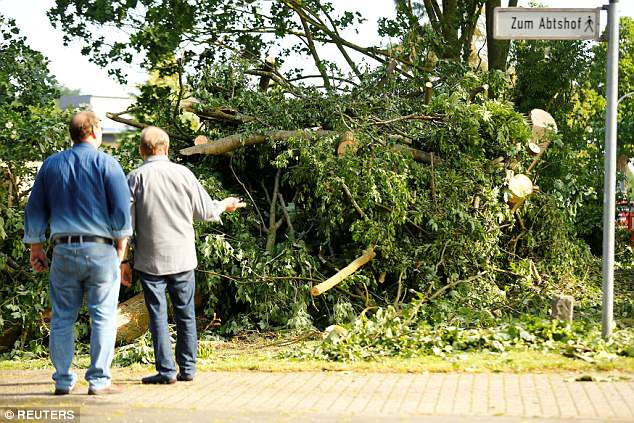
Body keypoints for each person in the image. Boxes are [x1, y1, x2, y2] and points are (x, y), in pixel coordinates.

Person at [122, 126, 244, 384]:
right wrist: (226, 204)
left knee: (157, 315)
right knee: (185, 313)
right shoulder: (184, 174)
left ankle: (166, 371)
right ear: (166, 148)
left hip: (149, 259)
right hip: (182, 258)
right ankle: (187, 368)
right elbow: (205, 212)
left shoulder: (135, 178)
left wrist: (124, 258)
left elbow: (125, 223)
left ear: (141, 150)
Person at [23, 111, 132, 395]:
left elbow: (35, 208)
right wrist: (121, 250)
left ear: (73, 134)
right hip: (100, 250)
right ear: (95, 132)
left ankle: (61, 380)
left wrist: (35, 245)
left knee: (61, 317)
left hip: (63, 250)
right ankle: (98, 381)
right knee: (103, 316)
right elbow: (121, 210)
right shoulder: (108, 164)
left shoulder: (51, 165)